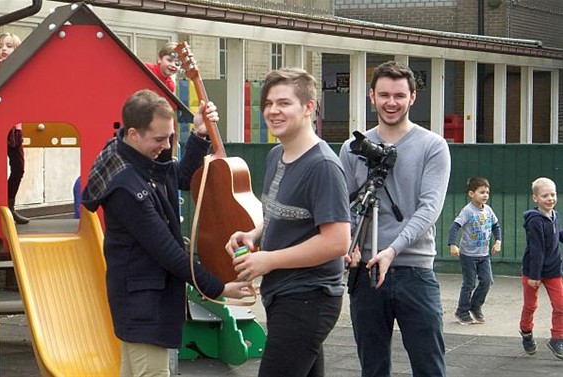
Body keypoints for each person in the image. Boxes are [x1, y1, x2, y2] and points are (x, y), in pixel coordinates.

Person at [81, 89, 252, 375]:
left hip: (143, 299)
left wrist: (198, 135)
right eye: (159, 139)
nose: (165, 145)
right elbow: (168, 252)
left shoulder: (137, 160)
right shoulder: (126, 187)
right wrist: (217, 288)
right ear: (134, 134)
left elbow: (180, 178)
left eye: (170, 137)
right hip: (143, 305)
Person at [225, 67, 351, 377]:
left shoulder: (322, 166)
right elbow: (285, 217)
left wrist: (268, 260)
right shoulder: (275, 156)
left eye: (283, 103)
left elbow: (337, 242)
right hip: (284, 295)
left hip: (309, 298)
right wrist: (254, 235)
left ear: (309, 107)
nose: (273, 111)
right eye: (268, 103)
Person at [339, 60, 450, 376]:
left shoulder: (433, 146)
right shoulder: (352, 148)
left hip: (415, 271)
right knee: (373, 368)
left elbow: (429, 209)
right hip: (366, 272)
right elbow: (341, 205)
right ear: (371, 96)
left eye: (399, 95)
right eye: (384, 94)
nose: (391, 102)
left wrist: (392, 250)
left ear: (413, 97)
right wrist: (351, 243)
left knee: (430, 367)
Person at [519, 177, 563, 360]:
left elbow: (554, 236)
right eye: (545, 195)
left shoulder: (555, 215)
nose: (550, 199)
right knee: (531, 305)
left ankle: (557, 338)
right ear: (535, 198)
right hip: (533, 271)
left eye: (553, 194)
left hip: (553, 269)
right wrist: (534, 275)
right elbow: (537, 249)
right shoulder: (534, 221)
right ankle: (526, 332)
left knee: (561, 305)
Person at [448, 176, 502, 325]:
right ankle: (462, 311)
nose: (485, 195)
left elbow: (496, 226)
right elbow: (455, 227)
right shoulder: (467, 211)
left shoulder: (488, 210)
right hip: (468, 256)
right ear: (472, 194)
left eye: (487, 192)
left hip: (484, 255)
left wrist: (498, 241)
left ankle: (476, 306)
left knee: (487, 281)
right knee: (469, 283)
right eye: (482, 192)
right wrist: (452, 244)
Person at [0, 32, 30, 224]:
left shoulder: (20, 69)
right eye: (1, 45)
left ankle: (10, 206)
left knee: (18, 167)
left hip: (14, 128)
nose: (3, 49)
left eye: (9, 46)